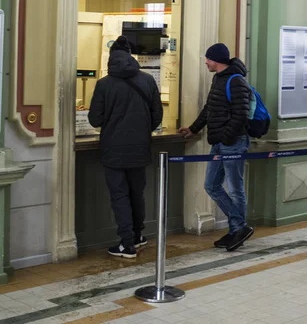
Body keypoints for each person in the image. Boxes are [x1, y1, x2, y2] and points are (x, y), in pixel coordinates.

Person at [88, 35, 163, 258]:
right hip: (140, 147)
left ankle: (126, 243)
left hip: (113, 149)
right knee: (137, 193)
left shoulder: (104, 85)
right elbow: (157, 115)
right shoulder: (148, 80)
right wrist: (143, 129)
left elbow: (94, 120)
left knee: (119, 195)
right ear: (131, 56)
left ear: (111, 59)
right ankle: (138, 236)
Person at [178, 43, 253, 251]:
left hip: (232, 143)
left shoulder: (236, 81)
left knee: (236, 190)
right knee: (211, 185)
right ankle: (240, 226)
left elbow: (241, 115)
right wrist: (193, 129)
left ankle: (236, 230)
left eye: (208, 58)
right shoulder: (218, 79)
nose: (205, 61)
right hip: (220, 143)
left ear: (217, 60)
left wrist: (226, 137)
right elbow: (209, 109)